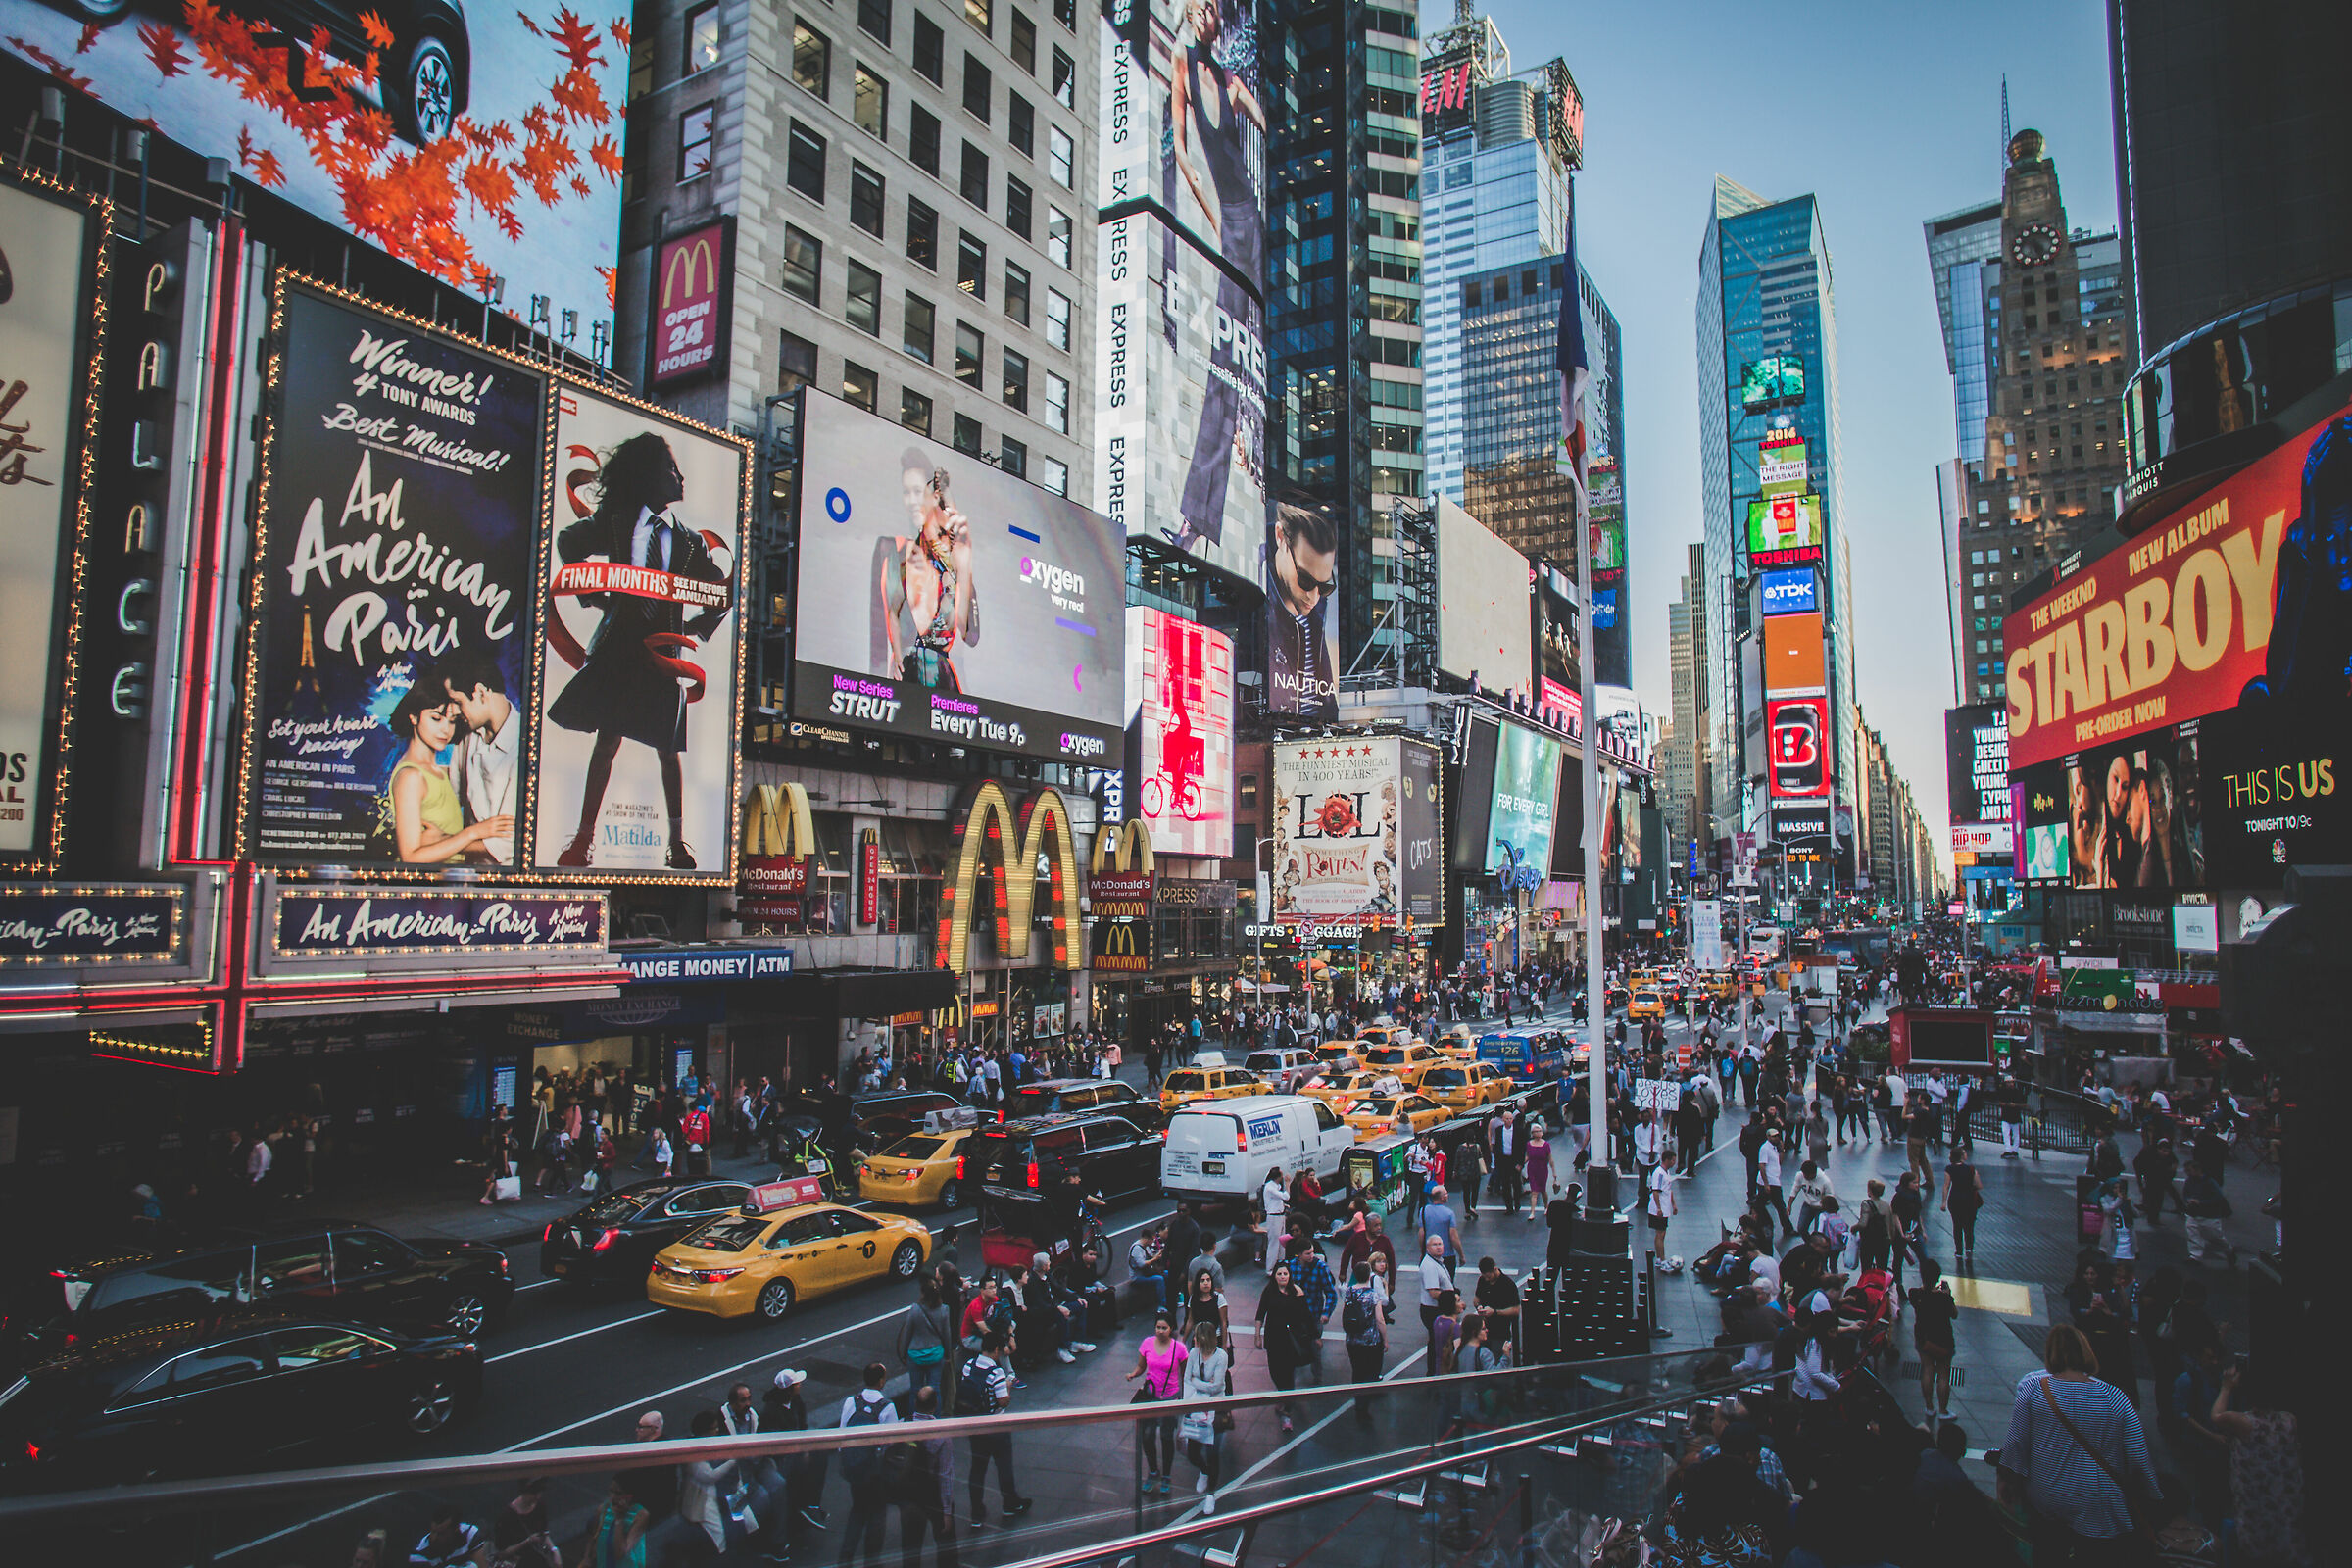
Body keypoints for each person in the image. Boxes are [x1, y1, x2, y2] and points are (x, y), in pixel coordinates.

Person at [547, 432, 733, 870]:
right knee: (607, 741)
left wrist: (695, 632)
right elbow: (568, 543)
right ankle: (584, 840)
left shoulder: (688, 541)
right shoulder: (616, 520)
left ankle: (677, 843)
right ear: (648, 476)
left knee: (668, 749)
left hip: (663, 653)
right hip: (618, 647)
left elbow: (722, 592)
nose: (680, 475)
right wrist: (592, 594)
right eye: (671, 468)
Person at [1997, 1325, 2161, 1563]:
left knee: (2048, 1554)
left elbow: (2016, 1444)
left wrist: (2006, 1479)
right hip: (2096, 1499)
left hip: (2046, 1494)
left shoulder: (2033, 1390)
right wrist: (2153, 1496)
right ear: (2086, 1352)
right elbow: (2138, 1457)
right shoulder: (2115, 1397)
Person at [380, 670, 511, 865]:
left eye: (451, 721)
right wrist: (473, 832)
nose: (445, 730)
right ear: (414, 717)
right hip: (426, 887)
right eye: (436, 718)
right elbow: (410, 856)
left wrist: (444, 837)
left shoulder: (439, 771)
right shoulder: (411, 776)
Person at [2207, 1362, 2310, 1567]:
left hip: (2257, 1502)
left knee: (2259, 1550)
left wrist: (2226, 1387)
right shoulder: (2290, 1420)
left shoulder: (2243, 1422)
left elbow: (2216, 1416)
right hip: (2285, 1499)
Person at [439, 647, 519, 865]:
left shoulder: (524, 747)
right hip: (466, 873)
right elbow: (452, 803)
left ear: (481, 692)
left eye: (457, 701)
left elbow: (509, 843)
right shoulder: (467, 737)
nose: (453, 711)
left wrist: (440, 842)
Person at [958, 1326, 1030, 1526]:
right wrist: (1008, 1386)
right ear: (996, 1350)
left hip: (975, 1425)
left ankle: (977, 1513)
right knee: (1003, 1465)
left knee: (977, 1468)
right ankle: (1009, 1504)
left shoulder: (968, 1366)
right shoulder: (996, 1373)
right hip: (995, 1425)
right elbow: (1003, 1402)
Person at [836, 1362, 901, 1568]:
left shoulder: (850, 1402)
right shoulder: (887, 1407)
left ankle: (845, 1559)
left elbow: (842, 1431)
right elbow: (890, 1441)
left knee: (857, 1511)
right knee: (877, 1514)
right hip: (875, 1471)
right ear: (881, 1380)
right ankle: (872, 1561)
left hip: (854, 1468)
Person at [1128, 1311, 1189, 1494]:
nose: (1161, 1331)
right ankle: (1153, 1471)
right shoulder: (1147, 1343)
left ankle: (1167, 1476)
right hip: (1150, 1397)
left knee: (1166, 1437)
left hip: (1170, 1398)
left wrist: (1185, 1398)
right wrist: (1133, 1374)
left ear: (1171, 1329)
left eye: (1164, 1328)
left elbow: (1184, 1374)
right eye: (1158, 1327)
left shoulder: (1179, 1349)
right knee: (1147, 1436)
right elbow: (1141, 1366)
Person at [1254, 1258, 1316, 1435]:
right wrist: (1257, 1335)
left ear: (1290, 1276)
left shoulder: (1297, 1292)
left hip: (1290, 1340)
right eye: (1279, 1274)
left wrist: (1314, 1336)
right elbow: (1260, 1314)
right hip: (1274, 1339)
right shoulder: (1269, 1292)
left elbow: (1306, 1316)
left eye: (1285, 1274)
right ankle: (1283, 1394)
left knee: (1288, 1374)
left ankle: (1287, 1411)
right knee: (1275, 1371)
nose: (1282, 1277)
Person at [898, 1384, 956, 1568]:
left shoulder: (901, 1425)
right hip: (933, 1494)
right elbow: (945, 1475)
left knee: (911, 1546)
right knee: (945, 1545)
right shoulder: (941, 1435)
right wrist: (946, 1511)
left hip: (908, 1493)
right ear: (935, 1405)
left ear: (915, 1403)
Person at [1180, 1318, 1232, 1511]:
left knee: (1213, 1452)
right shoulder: (1194, 1353)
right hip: (1196, 1407)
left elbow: (1217, 1386)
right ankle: (1204, 1471)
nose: (1194, 1342)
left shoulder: (1221, 1357)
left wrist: (1197, 1381)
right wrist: (1202, 1385)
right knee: (1193, 1452)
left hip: (1215, 1409)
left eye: (1198, 1338)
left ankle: (1211, 1493)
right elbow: (1187, 1378)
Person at [1340, 1259, 1388, 1428]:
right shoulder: (1373, 1295)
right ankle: (1364, 1405)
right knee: (1370, 1372)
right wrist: (1385, 1339)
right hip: (1370, 1340)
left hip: (1353, 1339)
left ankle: (1358, 1400)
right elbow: (1380, 1320)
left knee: (1357, 1371)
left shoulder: (1350, 1292)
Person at [1911, 1259, 1958, 1421]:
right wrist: (1948, 1295)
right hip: (1943, 1339)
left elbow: (1920, 1298)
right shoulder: (1944, 1299)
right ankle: (1943, 1411)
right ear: (1938, 1277)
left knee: (1927, 1370)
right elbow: (1954, 1314)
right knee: (1944, 1375)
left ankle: (1929, 1407)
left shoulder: (1915, 1294)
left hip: (1924, 1339)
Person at [573, 1477, 649, 1568]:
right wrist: (587, 1558)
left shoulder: (639, 1515)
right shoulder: (603, 1509)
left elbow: (620, 1554)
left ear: (630, 1496)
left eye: (619, 1493)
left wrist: (619, 1519)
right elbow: (593, 1537)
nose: (613, 1497)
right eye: (611, 1491)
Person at [1416, 1235, 1453, 1373]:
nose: (1438, 1247)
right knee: (1436, 1343)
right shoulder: (1430, 1266)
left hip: (1435, 1308)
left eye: (1440, 1244)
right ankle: (1433, 1371)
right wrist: (1452, 1298)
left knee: (1438, 1341)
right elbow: (1433, 1291)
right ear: (1427, 1248)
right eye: (1434, 1244)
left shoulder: (1436, 1261)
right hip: (1432, 1310)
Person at [1942, 1144, 1984, 1262]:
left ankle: (1959, 1251)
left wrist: (1944, 1203)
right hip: (1969, 1200)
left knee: (1957, 1225)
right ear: (1962, 1156)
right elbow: (1979, 1185)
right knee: (1969, 1226)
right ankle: (1969, 1248)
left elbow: (1946, 1186)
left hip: (1955, 1199)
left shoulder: (1949, 1169)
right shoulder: (1971, 1169)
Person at [411, 1506, 490, 1568]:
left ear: (455, 1529)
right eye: (433, 1531)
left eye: (441, 1533)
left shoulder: (470, 1534)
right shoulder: (418, 1554)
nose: (434, 1537)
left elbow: (482, 1565)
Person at [1421, 1184, 1462, 1269]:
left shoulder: (1423, 1211)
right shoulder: (1449, 1214)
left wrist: (1423, 1251)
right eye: (1446, 1194)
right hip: (1447, 1255)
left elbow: (1421, 1234)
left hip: (1429, 1254)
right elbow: (1454, 1237)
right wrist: (1461, 1255)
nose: (1448, 1195)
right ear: (1441, 1197)